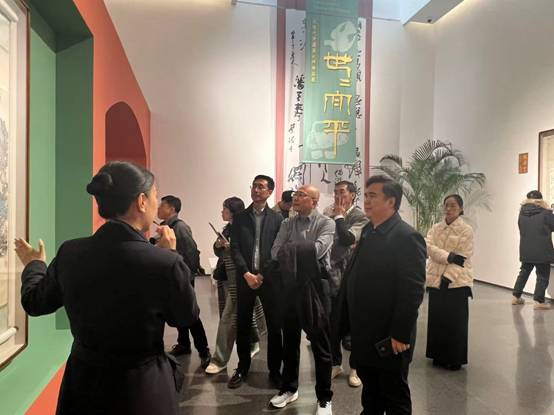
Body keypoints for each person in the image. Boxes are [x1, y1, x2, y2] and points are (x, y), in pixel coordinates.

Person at [15, 161, 199, 415]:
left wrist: (35, 264)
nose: (156, 204)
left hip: (83, 387)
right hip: (142, 390)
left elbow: (34, 302)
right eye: (155, 196)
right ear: (142, 201)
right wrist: (172, 256)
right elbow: (185, 316)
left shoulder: (70, 253)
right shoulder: (164, 263)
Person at [338, 175, 426, 414]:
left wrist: (400, 332)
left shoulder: (406, 237)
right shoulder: (370, 230)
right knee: (371, 391)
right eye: (366, 195)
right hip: (365, 330)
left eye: (373, 196)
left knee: (394, 394)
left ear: (391, 201)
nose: (366, 201)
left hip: (390, 336)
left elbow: (412, 290)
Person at [270, 185, 335, 415]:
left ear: (314, 201)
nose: (295, 197)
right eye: (295, 194)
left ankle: (324, 398)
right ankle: (289, 388)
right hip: (289, 287)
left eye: (301, 195)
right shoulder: (287, 223)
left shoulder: (327, 223)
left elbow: (318, 251)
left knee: (320, 344)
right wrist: (300, 250)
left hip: (315, 287)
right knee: (289, 341)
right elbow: (275, 252)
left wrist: (291, 249)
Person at [228, 175, 284, 389]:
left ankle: (275, 370)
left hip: (269, 281)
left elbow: (277, 250)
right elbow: (235, 248)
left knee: (274, 326)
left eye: (261, 187)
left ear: (270, 192)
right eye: (254, 186)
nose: (256, 190)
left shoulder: (278, 219)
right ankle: (242, 367)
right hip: (245, 279)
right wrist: (246, 273)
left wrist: (262, 275)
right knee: (242, 324)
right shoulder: (240, 218)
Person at [205, 197, 265, 374]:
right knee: (242, 313)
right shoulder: (229, 228)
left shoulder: (244, 227)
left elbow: (246, 252)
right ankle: (253, 342)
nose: (222, 212)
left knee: (228, 318)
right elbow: (220, 251)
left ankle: (219, 359)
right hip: (229, 276)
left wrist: (230, 247)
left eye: (224, 209)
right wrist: (219, 245)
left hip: (242, 277)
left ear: (232, 211)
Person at [157, 195, 211, 369]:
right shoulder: (167, 227)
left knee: (191, 314)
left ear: (172, 209)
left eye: (162, 206)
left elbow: (191, 253)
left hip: (182, 278)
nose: (158, 208)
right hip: (174, 277)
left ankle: (204, 351)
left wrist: (186, 277)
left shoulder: (180, 228)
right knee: (178, 310)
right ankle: (183, 344)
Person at [326, 181, 368, 387]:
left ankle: (355, 368)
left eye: (342, 192)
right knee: (333, 323)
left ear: (352, 195)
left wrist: (339, 217)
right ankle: (335, 363)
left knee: (354, 324)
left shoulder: (360, 217)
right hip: (331, 274)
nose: (337, 196)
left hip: (352, 276)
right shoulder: (327, 212)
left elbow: (347, 239)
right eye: (335, 192)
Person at [425, 194, 474, 370]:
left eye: (453, 205)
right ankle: (437, 355)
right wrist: (448, 256)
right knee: (437, 321)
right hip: (435, 279)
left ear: (461, 209)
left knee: (455, 323)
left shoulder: (466, 230)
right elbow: (428, 247)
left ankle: (454, 359)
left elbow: (462, 258)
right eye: (446, 205)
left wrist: (448, 277)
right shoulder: (436, 228)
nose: (448, 208)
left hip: (457, 282)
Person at [512, 190, 554, 310]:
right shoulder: (545, 212)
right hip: (542, 249)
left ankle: (516, 296)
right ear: (540, 200)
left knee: (524, 272)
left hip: (526, 248)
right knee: (542, 275)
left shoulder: (522, 212)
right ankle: (539, 301)